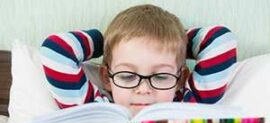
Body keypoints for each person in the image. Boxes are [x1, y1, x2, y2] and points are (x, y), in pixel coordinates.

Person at [40, 4, 237, 116]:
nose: (143, 89)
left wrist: (175, 41)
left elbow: (221, 41)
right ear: (106, 78)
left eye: (160, 76)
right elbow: (56, 50)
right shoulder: (94, 110)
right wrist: (108, 41)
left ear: (180, 78)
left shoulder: (192, 105)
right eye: (127, 76)